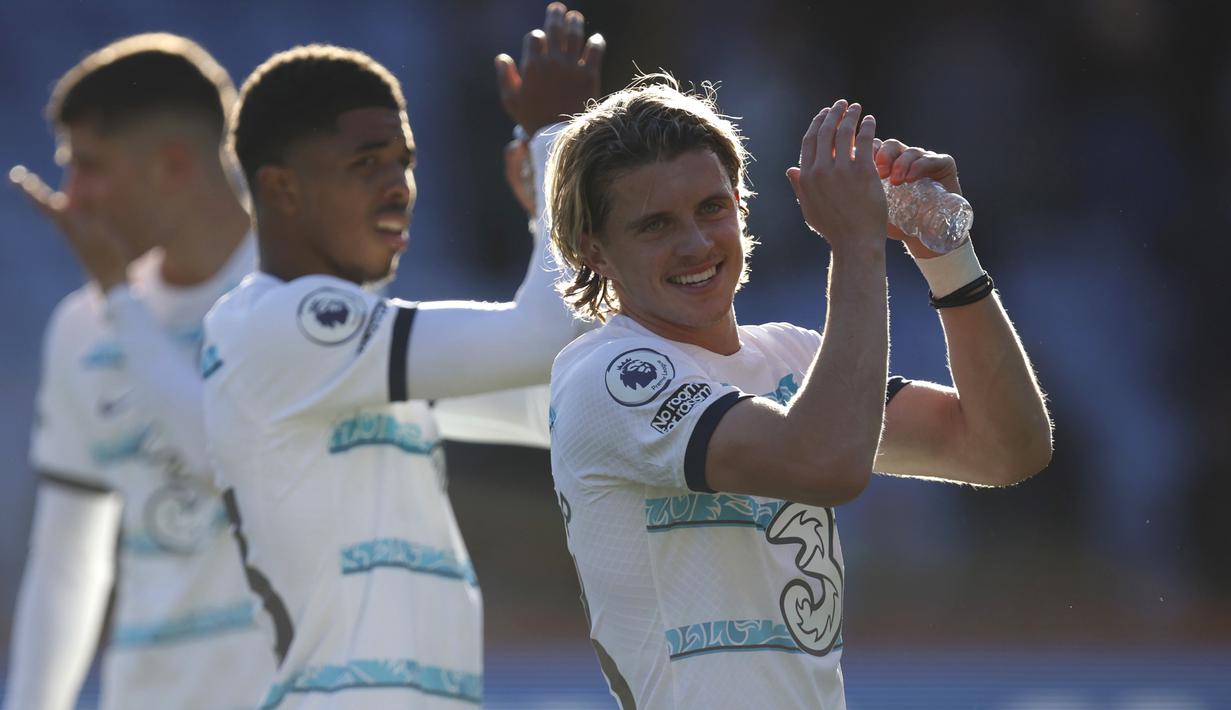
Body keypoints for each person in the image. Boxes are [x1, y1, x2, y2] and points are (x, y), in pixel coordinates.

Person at [544, 78, 1054, 708]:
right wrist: (857, 242)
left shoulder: (791, 355)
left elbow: (1005, 450)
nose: (697, 244)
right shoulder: (606, 372)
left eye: (711, 208)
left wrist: (945, 254)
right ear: (593, 249)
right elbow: (824, 463)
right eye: (655, 225)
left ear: (740, 204)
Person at [199, 5, 603, 707]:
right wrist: (554, 142)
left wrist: (549, 217)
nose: (398, 187)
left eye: (404, 162)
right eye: (366, 163)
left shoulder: (352, 351)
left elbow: (563, 403)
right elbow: (545, 339)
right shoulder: (277, 324)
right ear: (280, 189)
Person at [4, 34, 274, 710]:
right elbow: (68, 559)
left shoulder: (301, 297)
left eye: (90, 166)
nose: (74, 197)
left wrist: (122, 303)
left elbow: (225, 459)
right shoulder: (81, 326)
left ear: (174, 165)